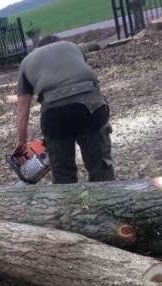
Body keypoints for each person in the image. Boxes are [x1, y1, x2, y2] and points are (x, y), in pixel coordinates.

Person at [12, 35, 115, 184]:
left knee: (63, 174)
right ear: (60, 43)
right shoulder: (73, 47)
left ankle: (68, 204)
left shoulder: (27, 61)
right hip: (91, 107)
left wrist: (21, 143)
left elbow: (23, 108)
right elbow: (92, 82)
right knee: (100, 167)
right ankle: (109, 203)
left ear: (38, 48)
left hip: (54, 115)